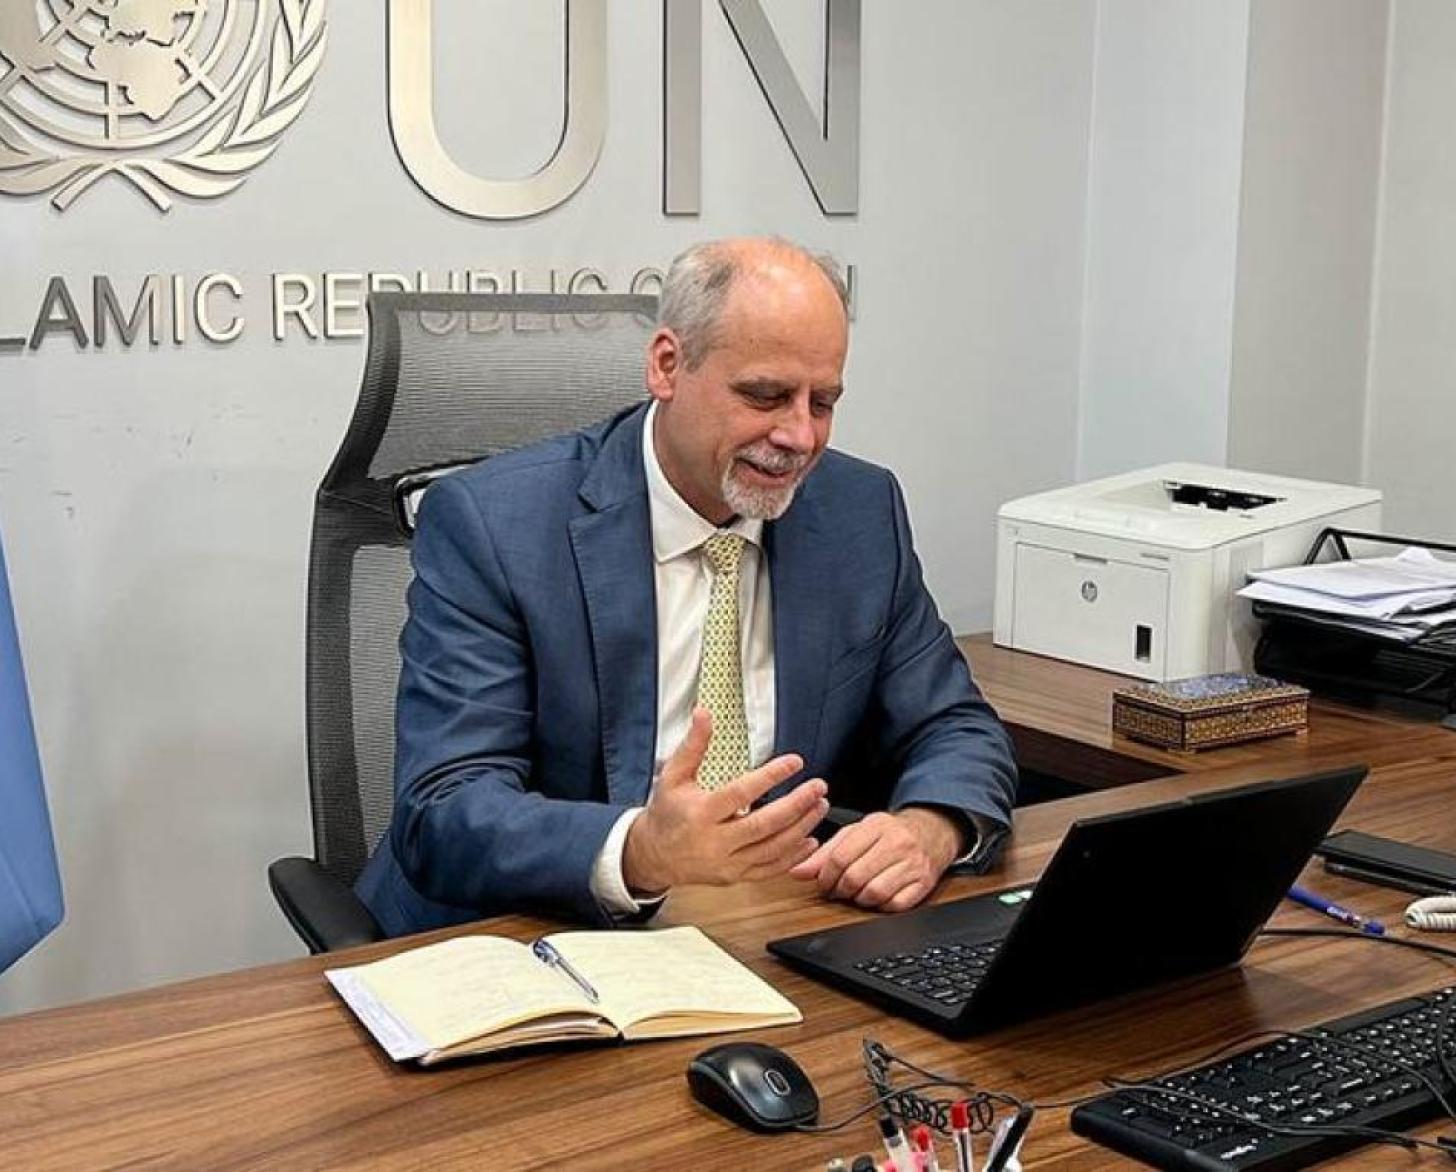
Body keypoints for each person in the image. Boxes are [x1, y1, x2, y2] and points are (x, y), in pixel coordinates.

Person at [356, 237, 1017, 936]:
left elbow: (955, 724)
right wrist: (639, 849)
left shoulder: (858, 513)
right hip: (522, 938)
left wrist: (932, 825)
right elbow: (446, 809)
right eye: (765, 396)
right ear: (667, 365)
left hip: (762, 931)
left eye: (822, 402)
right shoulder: (495, 526)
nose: (799, 436)